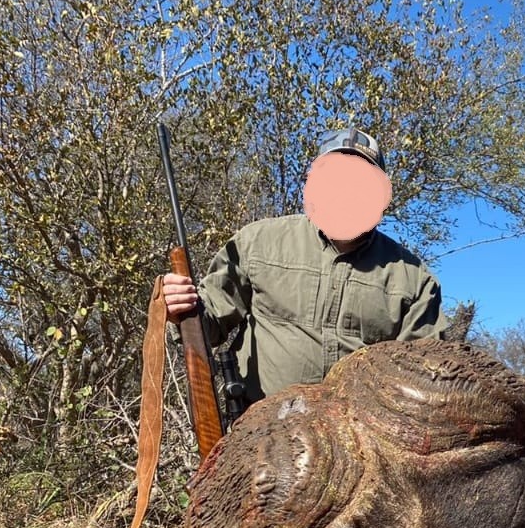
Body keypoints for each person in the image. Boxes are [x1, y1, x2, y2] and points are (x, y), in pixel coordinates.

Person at [163, 128, 449, 405]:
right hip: (260, 433)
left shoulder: (413, 278)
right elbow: (209, 323)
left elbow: (423, 375)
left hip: (360, 441)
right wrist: (183, 308)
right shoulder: (258, 242)